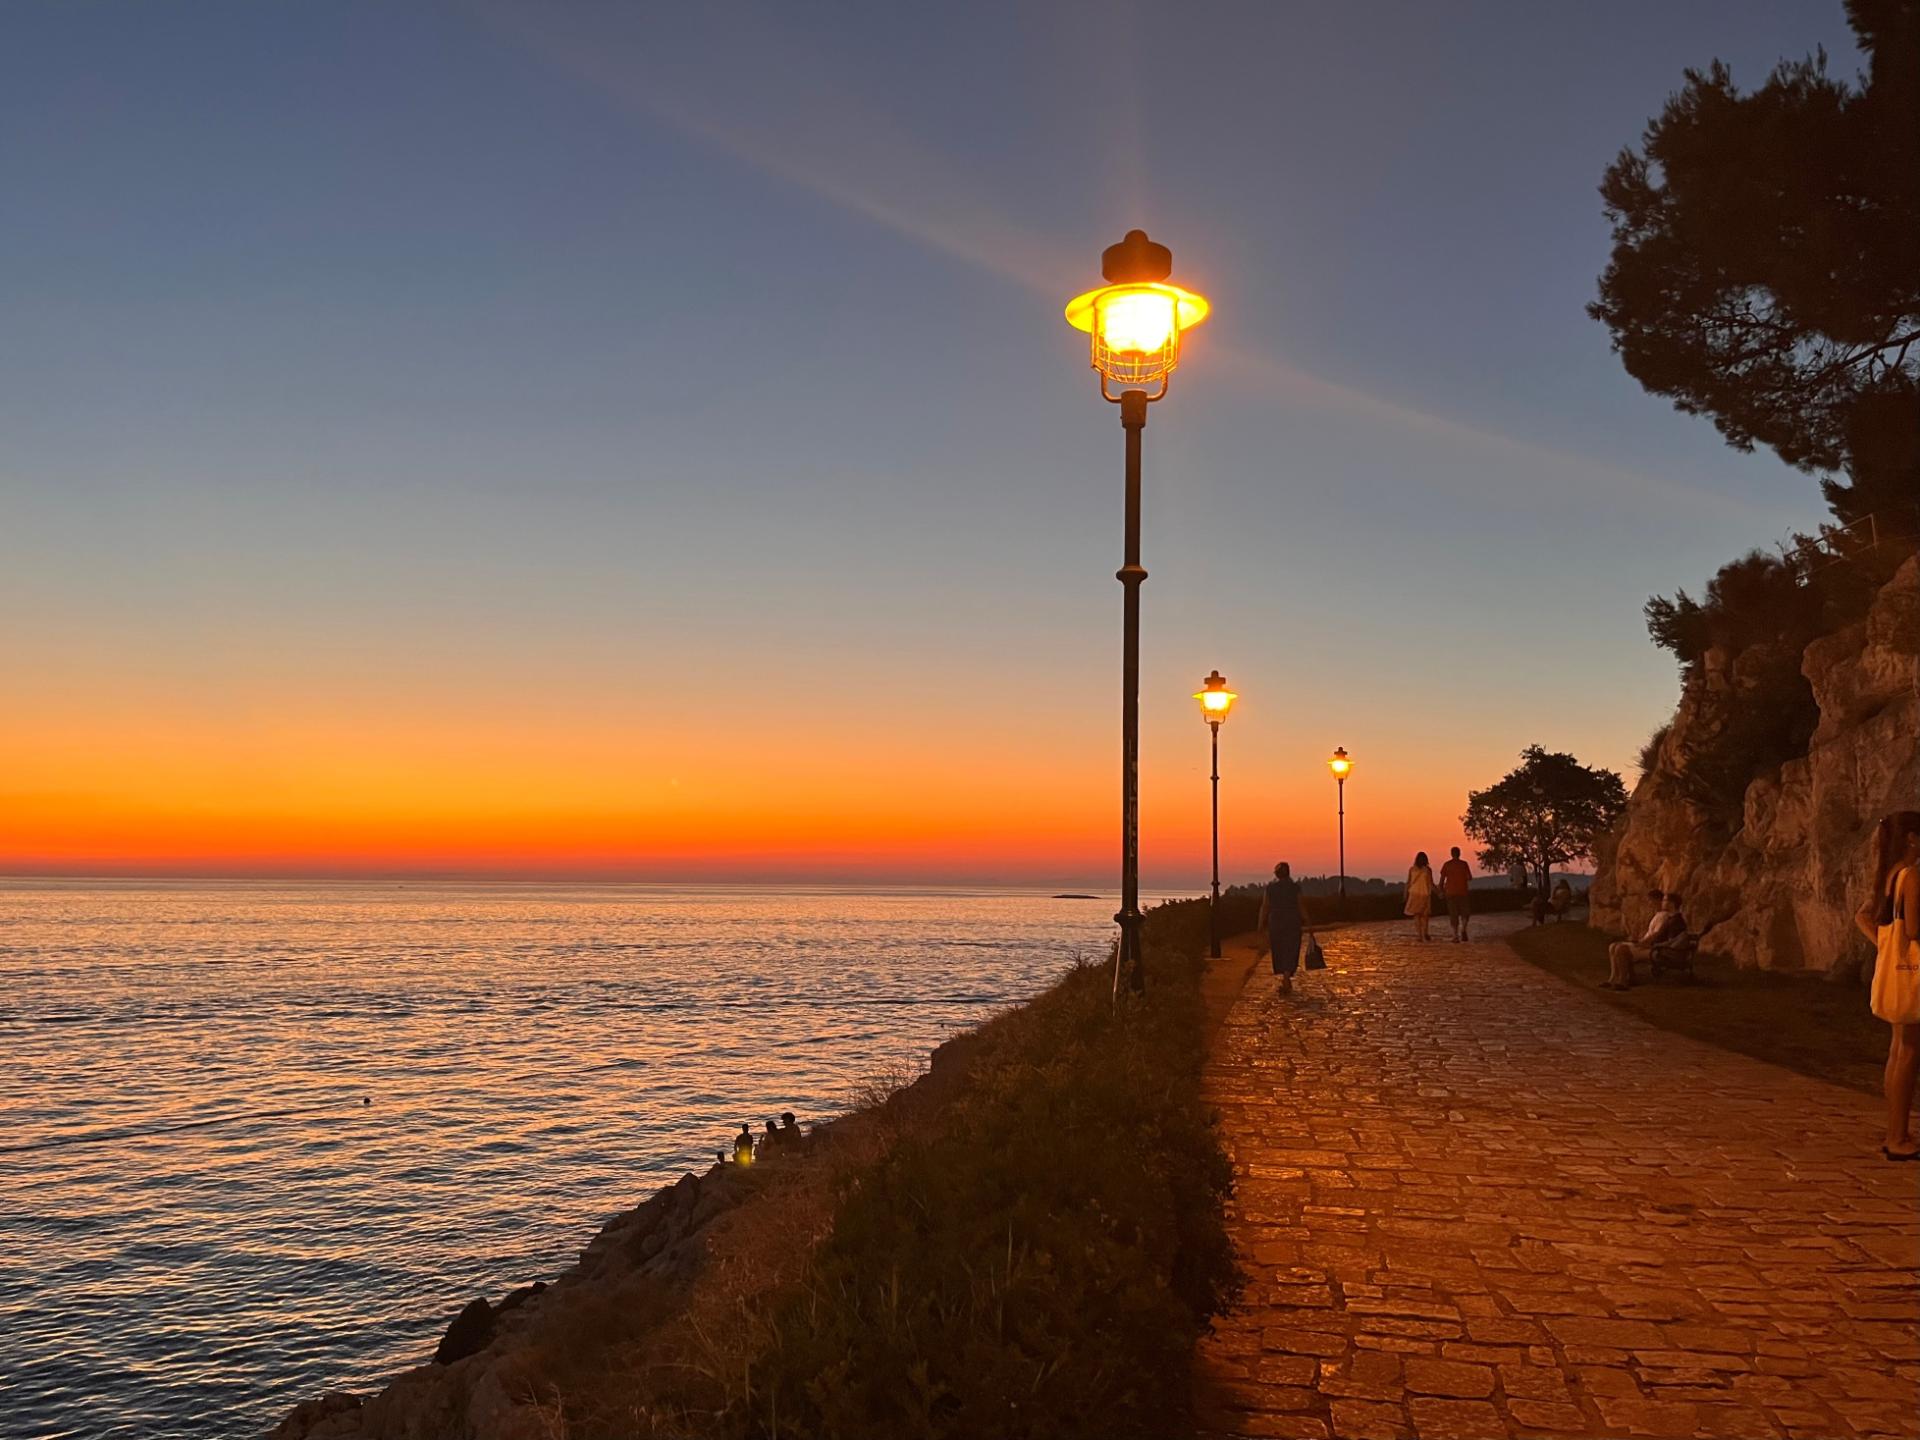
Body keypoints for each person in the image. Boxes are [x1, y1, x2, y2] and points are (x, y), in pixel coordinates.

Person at [1853, 811, 1920, 1162]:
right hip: (1914, 974)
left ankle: (1895, 1132)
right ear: (1911, 838)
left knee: (1898, 1052)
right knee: (1909, 1053)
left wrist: (1883, 944)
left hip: (1896, 973)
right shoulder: (1910, 876)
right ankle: (1899, 1138)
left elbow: (1862, 917)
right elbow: (1912, 930)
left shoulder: (1889, 875)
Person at [1604, 892, 1685, 990]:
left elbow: (1672, 941)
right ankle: (1623, 978)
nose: (1662, 902)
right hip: (1657, 948)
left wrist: (1652, 945)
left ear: (1671, 903)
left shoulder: (1675, 921)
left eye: (1664, 900)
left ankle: (1623, 981)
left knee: (1621, 949)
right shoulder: (1671, 918)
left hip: (1660, 951)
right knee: (1617, 947)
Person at [1257, 861, 1304, 992]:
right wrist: (1308, 921)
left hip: (1276, 922)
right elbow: (1301, 906)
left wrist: (1260, 923)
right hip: (1293, 921)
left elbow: (1265, 906)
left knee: (1279, 949)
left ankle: (1285, 978)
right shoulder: (1295, 888)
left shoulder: (1270, 888)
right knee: (1291, 948)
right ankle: (1287, 976)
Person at [1439, 847, 1473, 942]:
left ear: (1451, 854)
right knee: (1465, 913)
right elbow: (1469, 877)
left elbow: (1442, 880)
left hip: (1450, 892)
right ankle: (1463, 929)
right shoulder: (1464, 864)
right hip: (1463, 891)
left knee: (1453, 915)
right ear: (1459, 853)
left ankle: (1455, 935)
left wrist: (1441, 891)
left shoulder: (1447, 865)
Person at [1404, 852, 1437, 942]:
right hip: (1424, 894)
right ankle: (1425, 932)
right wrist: (1438, 892)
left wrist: (1405, 894)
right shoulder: (1427, 870)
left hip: (1413, 893)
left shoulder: (1412, 869)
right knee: (1425, 916)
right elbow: (1431, 884)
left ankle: (1419, 935)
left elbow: (1408, 882)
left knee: (1416, 915)